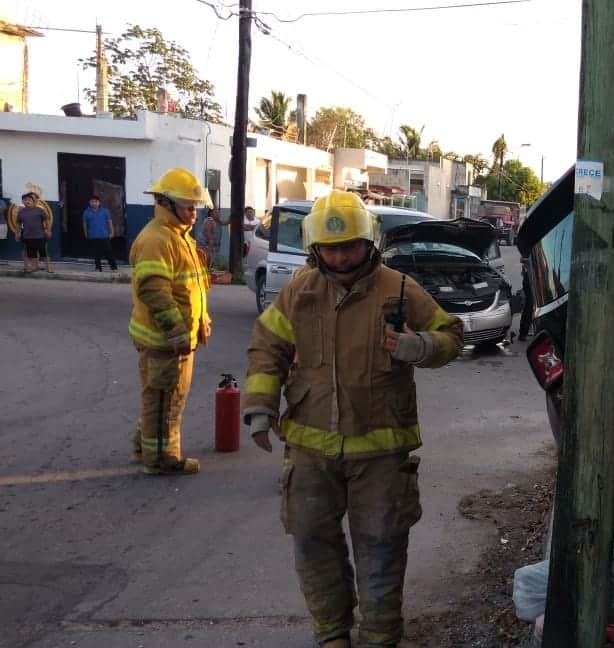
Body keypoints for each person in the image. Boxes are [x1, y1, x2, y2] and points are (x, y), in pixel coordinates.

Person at [242, 190, 463, 648]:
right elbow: (267, 347)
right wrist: (260, 406)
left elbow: (451, 335)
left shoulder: (399, 289)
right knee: (311, 541)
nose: (341, 257)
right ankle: (332, 633)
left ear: (369, 242)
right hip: (310, 447)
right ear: (314, 247)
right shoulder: (300, 292)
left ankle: (380, 636)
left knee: (381, 545)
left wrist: (419, 346)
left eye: (349, 246)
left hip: (382, 451)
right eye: (330, 248)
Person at [128, 168, 213, 475]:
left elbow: (188, 287)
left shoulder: (177, 236)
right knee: (167, 401)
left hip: (172, 338)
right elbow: (154, 290)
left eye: (195, 207)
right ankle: (163, 460)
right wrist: (177, 332)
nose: (193, 213)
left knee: (159, 396)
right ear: (165, 203)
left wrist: (201, 319)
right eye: (188, 207)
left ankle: (145, 447)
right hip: (164, 340)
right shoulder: (158, 239)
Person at [15, 192, 51, 274]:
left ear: (33, 201)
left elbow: (47, 220)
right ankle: (34, 267)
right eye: (25, 200)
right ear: (22, 201)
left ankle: (48, 268)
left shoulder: (40, 210)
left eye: (29, 200)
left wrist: (48, 230)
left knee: (44, 254)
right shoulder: (21, 212)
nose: (27, 201)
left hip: (40, 236)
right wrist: (17, 233)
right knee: (32, 254)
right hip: (27, 236)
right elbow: (18, 223)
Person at [83, 195, 118, 272]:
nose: (94, 203)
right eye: (92, 202)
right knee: (96, 253)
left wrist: (112, 232)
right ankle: (98, 268)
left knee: (108, 252)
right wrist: (86, 233)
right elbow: (85, 224)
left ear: (99, 203)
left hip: (104, 235)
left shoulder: (105, 211)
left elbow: (110, 222)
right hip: (93, 236)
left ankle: (114, 268)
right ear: (89, 203)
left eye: (96, 201)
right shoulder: (86, 212)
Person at [517, 255, 535, 341]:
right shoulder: (530, 252)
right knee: (529, 307)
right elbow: (522, 259)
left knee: (529, 307)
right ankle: (524, 332)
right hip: (530, 281)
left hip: (530, 280)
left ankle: (524, 331)